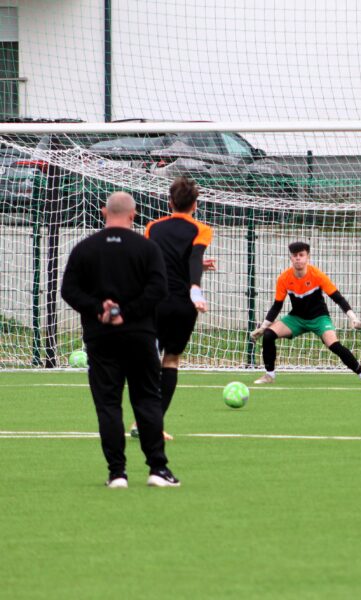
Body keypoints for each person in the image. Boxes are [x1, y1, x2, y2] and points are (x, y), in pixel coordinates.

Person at [61, 192, 180, 488]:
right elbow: (158, 289)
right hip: (140, 336)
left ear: (103, 212)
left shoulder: (85, 248)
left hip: (100, 338)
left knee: (108, 404)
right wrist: (127, 313)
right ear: (133, 214)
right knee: (147, 399)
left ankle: (117, 473)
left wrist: (98, 309)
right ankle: (158, 469)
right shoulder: (146, 247)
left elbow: (68, 290)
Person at [129, 177, 215, 441]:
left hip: (154, 301)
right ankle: (152, 424)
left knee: (149, 360)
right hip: (182, 303)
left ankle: (139, 419)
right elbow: (194, 257)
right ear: (195, 205)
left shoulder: (152, 227)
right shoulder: (202, 229)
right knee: (171, 360)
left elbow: (152, 261)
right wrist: (195, 288)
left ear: (169, 202)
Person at [250, 242, 361, 385]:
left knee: (334, 345)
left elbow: (338, 298)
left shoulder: (317, 275)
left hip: (319, 318)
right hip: (296, 318)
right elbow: (277, 305)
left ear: (308, 257)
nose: (298, 258)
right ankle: (269, 375)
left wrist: (353, 318)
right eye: (295, 255)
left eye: (301, 255)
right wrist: (263, 327)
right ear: (290, 258)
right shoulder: (283, 278)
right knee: (268, 335)